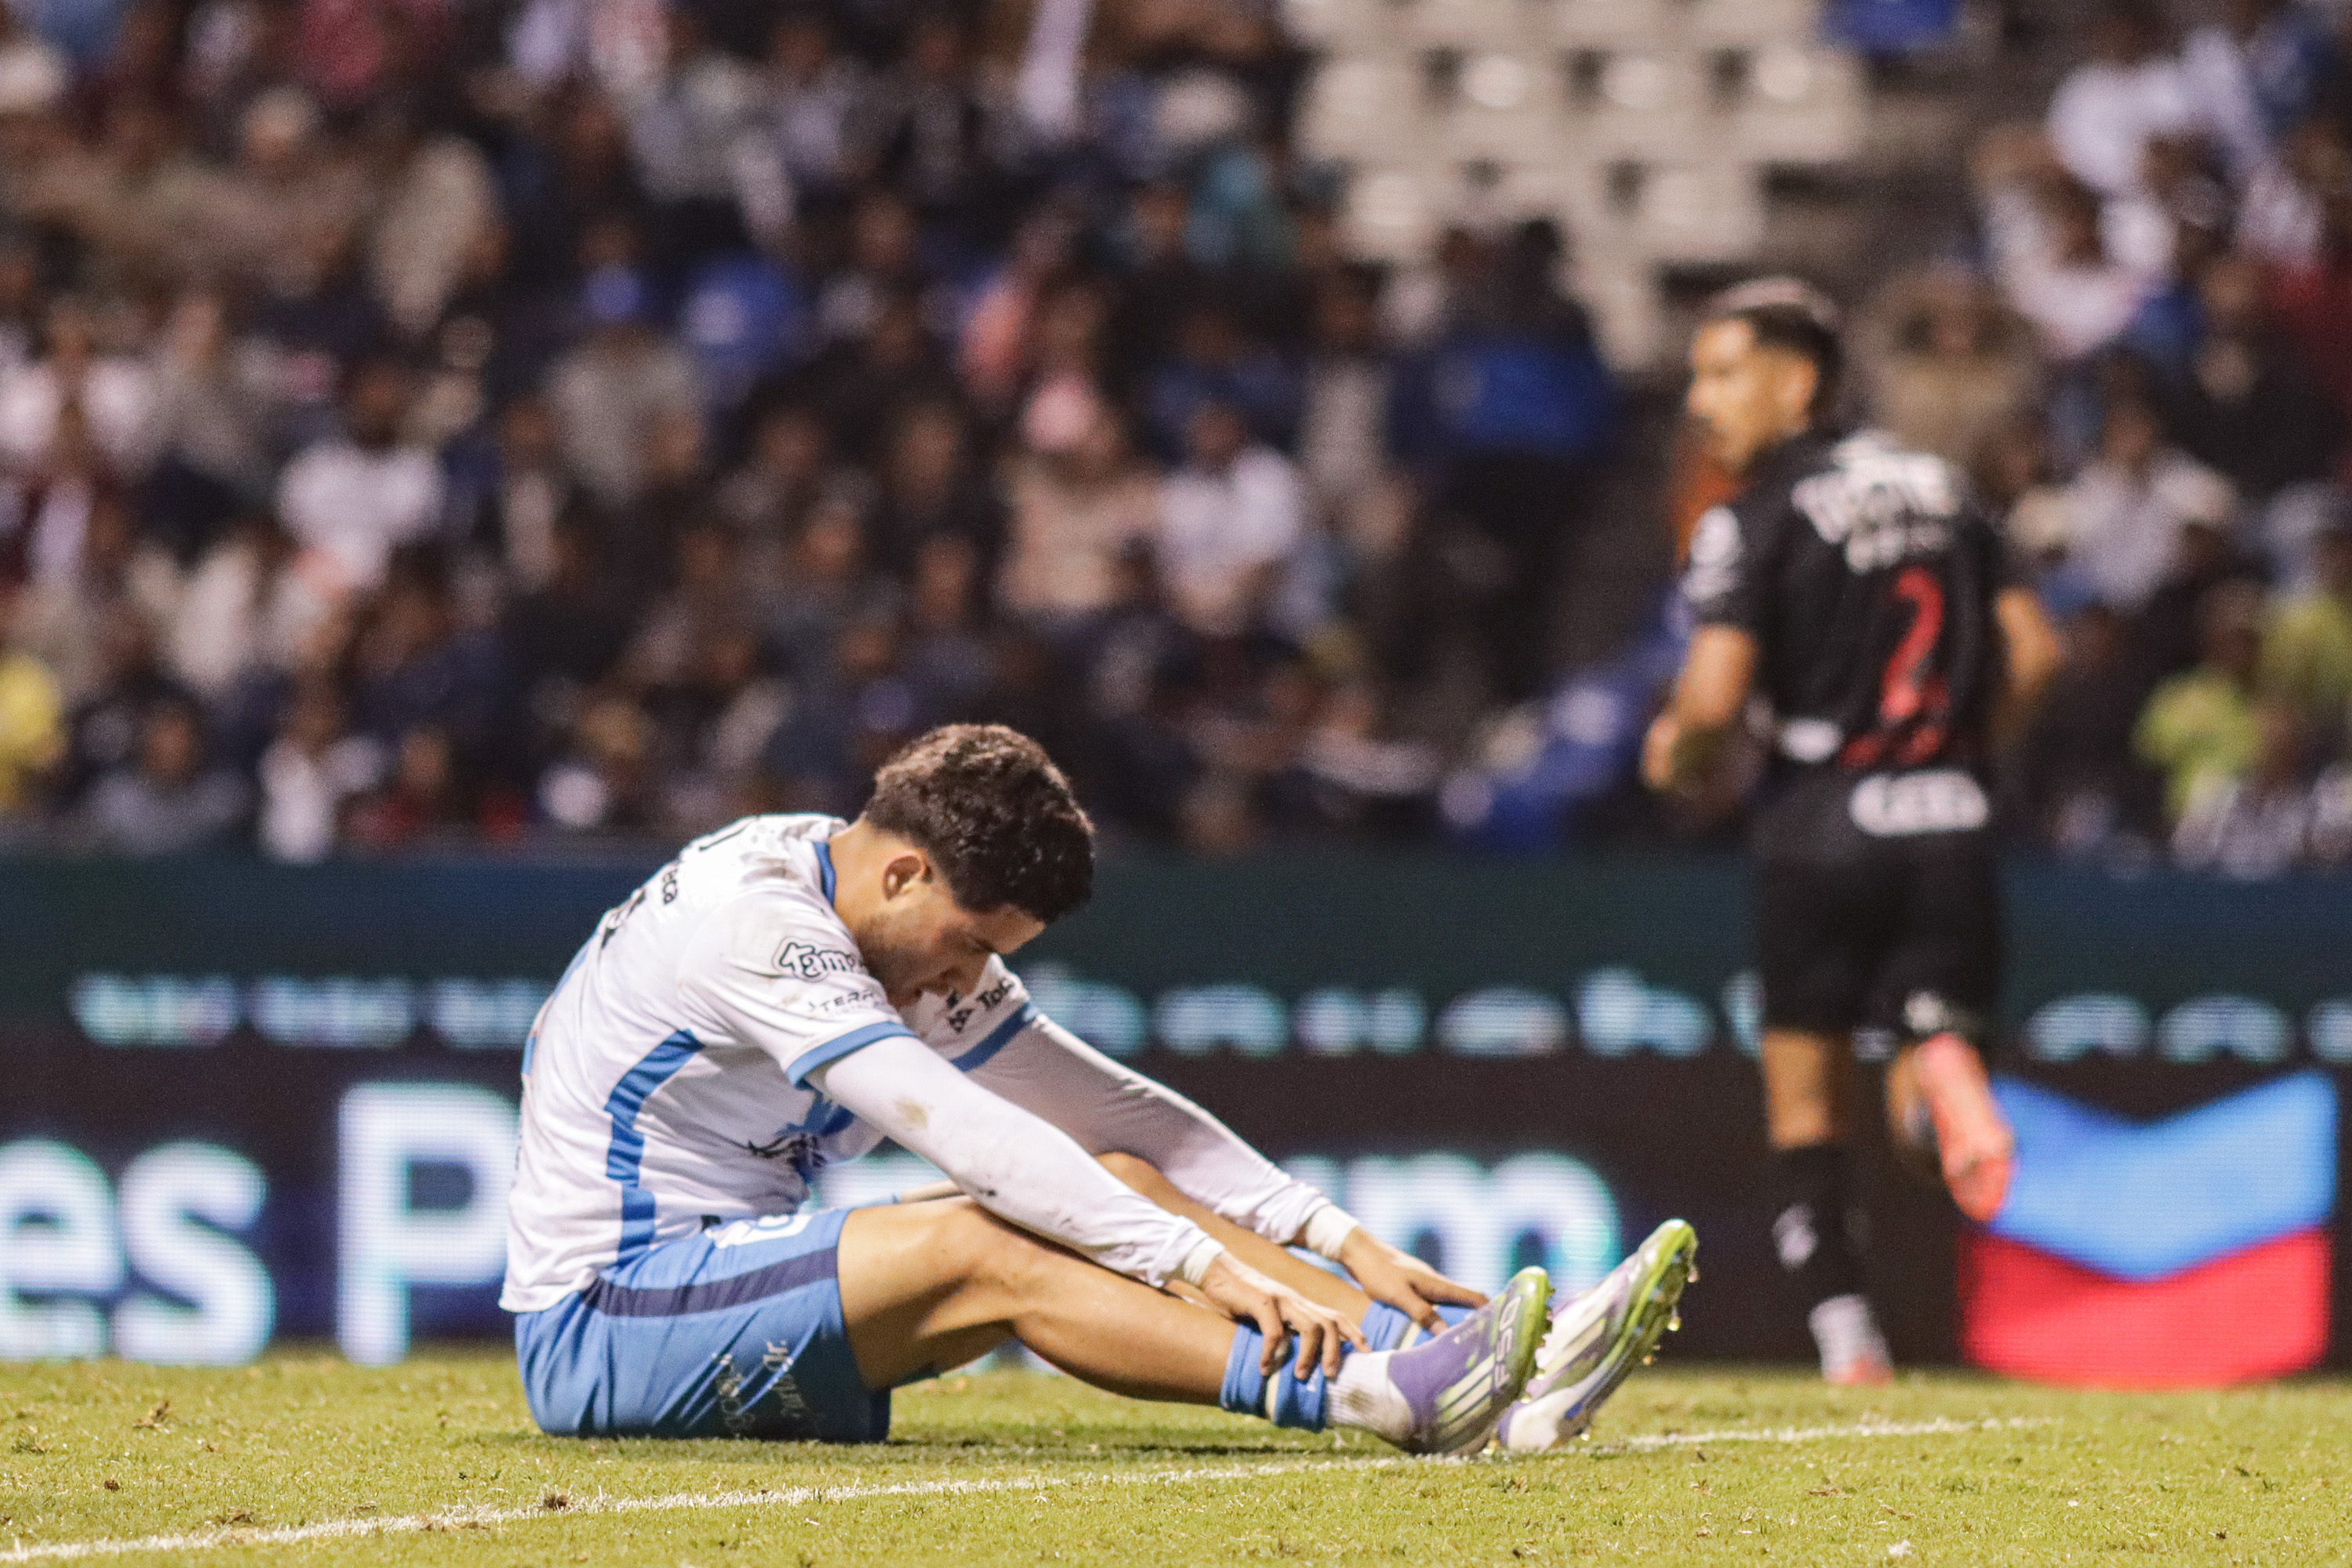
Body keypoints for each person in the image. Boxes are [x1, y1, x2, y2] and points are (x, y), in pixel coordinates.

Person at [503, 724, 1696, 1453]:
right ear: (908, 871)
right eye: (969, 945)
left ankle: (1484, 1365)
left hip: (726, 1279)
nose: (966, 980)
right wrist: (1188, 1266)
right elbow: (961, 1132)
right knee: (990, 1239)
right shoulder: (758, 924)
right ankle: (1379, 1398)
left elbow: (1118, 1116)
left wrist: (1326, 1232)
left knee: (1118, 1180)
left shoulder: (872, 899)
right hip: (607, 1318)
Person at [1642, 282, 2060, 1385]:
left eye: (1726, 374)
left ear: (1799, 381)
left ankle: (1847, 1339)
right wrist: (1963, 754)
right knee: (1928, 1096)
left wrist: (1676, 753)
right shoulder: (1943, 486)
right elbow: (2037, 654)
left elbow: (1715, 701)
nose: (1702, 401)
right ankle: (1945, 1060)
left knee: (1807, 1100)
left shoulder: (1752, 515)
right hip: (1952, 821)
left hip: (1822, 825)